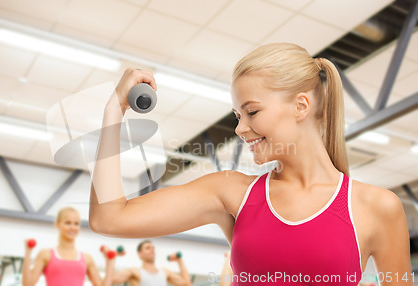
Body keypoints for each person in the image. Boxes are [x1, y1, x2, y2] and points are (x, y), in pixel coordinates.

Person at [89, 43, 411, 285]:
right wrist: (113, 112)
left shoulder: (375, 207)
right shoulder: (231, 193)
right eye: (237, 116)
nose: (240, 129)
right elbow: (109, 218)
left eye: (252, 112)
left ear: (301, 106)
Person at [22, 206, 114, 286]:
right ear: (58, 224)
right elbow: (27, 284)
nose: (73, 227)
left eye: (76, 223)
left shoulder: (87, 258)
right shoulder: (46, 254)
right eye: (68, 223)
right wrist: (28, 252)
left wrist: (110, 262)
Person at [107, 240, 191, 286]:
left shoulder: (165, 272)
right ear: (140, 254)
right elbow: (110, 280)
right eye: (148, 248)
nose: (152, 250)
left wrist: (179, 261)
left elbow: (186, 283)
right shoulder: (134, 271)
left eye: (153, 248)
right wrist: (113, 256)